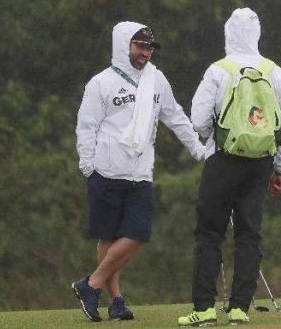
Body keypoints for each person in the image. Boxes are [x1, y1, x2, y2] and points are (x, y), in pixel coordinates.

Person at [72, 22, 206, 322]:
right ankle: (116, 300)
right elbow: (87, 125)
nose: (145, 53)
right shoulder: (101, 83)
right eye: (139, 46)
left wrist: (199, 150)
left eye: (148, 48)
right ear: (124, 45)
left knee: (138, 233)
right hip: (105, 171)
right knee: (108, 237)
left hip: (140, 172)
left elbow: (176, 117)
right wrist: (87, 164)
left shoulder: (156, 80)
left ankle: (90, 284)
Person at [178, 7, 281, 327]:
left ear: (228, 34)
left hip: (223, 159)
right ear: (257, 34)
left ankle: (204, 310)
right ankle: (240, 308)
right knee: (248, 233)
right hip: (261, 162)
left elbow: (200, 121)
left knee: (209, 233)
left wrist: (206, 141)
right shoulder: (275, 72)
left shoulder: (219, 70)